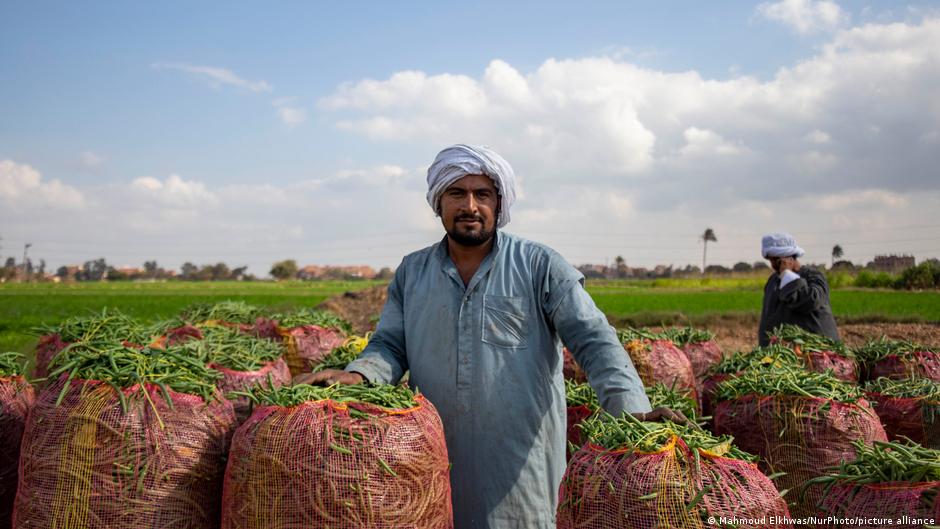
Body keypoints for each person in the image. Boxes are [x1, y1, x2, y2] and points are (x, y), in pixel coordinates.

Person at [297, 144, 683, 529]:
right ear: (438, 203)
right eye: (456, 193)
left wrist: (629, 409)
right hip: (430, 467)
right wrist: (360, 374)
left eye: (482, 194)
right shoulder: (412, 272)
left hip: (521, 474)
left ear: (499, 203)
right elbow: (391, 345)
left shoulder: (539, 265)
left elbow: (594, 339)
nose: (469, 206)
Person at [758, 232, 840, 346]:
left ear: (788, 258)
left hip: (814, 352)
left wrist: (788, 275)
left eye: (776, 261)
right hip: (780, 354)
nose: (772, 266)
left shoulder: (813, 277)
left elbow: (811, 301)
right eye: (770, 261)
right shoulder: (773, 281)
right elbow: (768, 317)